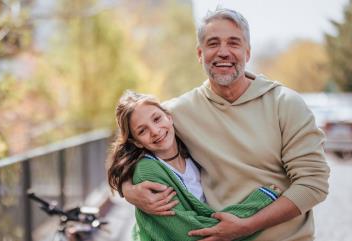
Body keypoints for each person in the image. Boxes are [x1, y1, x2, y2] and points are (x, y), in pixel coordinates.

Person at [121, 7, 330, 241]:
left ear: (247, 53)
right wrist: (128, 191)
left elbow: (313, 184)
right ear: (200, 54)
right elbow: (127, 144)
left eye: (233, 43)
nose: (223, 52)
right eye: (213, 44)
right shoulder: (177, 113)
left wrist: (247, 226)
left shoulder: (285, 103)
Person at [107, 90, 280, 241]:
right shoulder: (148, 172)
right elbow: (189, 232)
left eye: (157, 119)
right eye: (142, 131)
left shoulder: (192, 150)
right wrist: (259, 201)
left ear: (169, 117)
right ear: (137, 142)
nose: (155, 131)